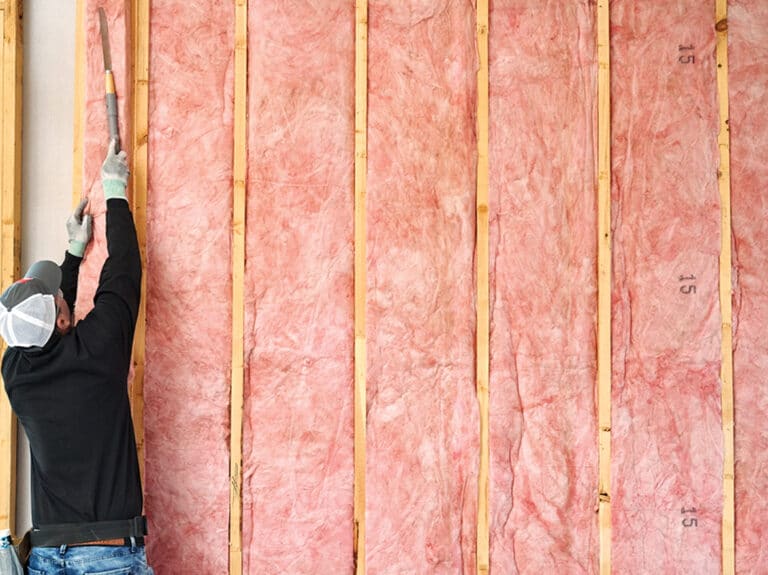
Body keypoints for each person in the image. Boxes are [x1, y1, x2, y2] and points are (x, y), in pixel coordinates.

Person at [0, 140, 153, 574]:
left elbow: (47, 329)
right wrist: (116, 190)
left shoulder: (15, 374)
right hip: (108, 558)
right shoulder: (99, 350)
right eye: (59, 300)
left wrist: (73, 254)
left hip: (48, 557)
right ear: (63, 320)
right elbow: (123, 269)